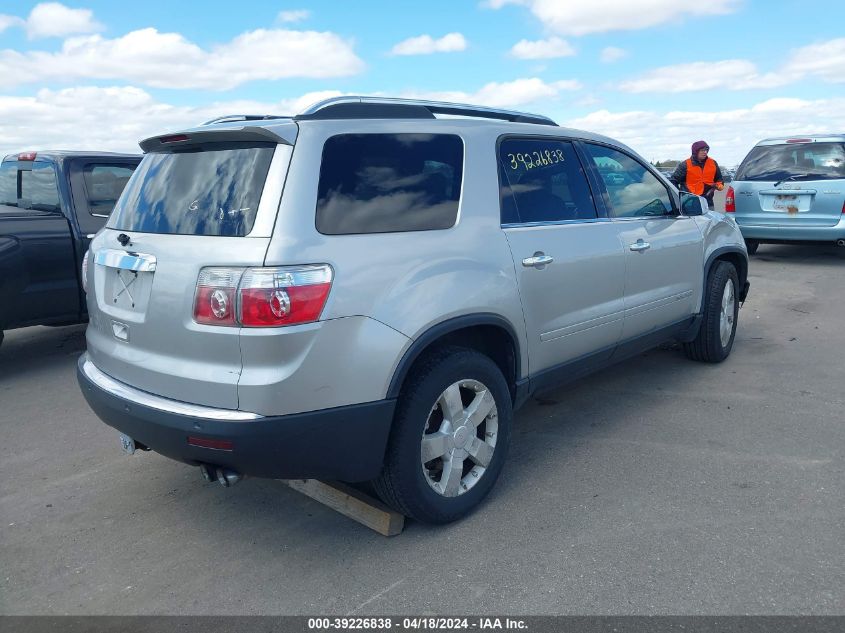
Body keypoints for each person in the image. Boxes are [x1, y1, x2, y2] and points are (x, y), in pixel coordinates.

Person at [671, 140, 724, 210]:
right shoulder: (685, 164)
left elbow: (719, 179)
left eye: (706, 150)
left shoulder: (713, 163)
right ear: (695, 151)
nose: (705, 152)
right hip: (689, 202)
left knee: (710, 217)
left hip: (708, 202)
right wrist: (680, 195)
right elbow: (673, 181)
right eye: (702, 150)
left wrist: (719, 185)